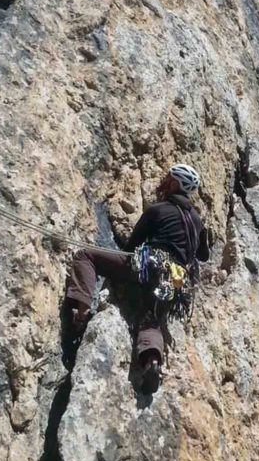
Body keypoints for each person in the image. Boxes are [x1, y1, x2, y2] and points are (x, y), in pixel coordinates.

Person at [65, 163, 209, 393]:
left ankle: (81, 309)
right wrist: (199, 231)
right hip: (175, 282)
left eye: (167, 178)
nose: (163, 181)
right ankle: (152, 361)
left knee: (86, 255)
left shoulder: (158, 209)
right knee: (151, 319)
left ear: (174, 184)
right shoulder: (197, 221)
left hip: (149, 267)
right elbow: (203, 255)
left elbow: (133, 246)